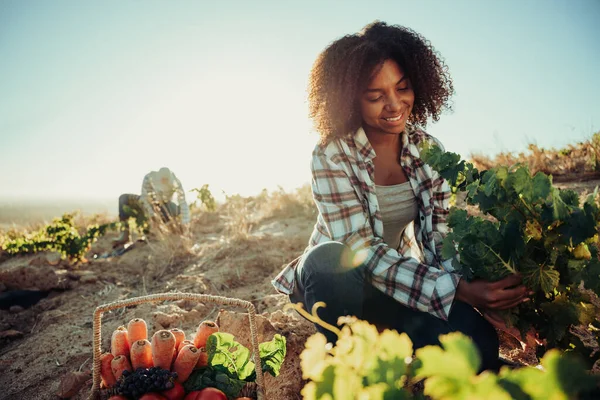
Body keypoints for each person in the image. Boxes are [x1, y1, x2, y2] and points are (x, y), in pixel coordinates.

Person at [272, 21, 529, 372]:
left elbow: (439, 239)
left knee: (478, 344)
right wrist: (457, 291)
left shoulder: (428, 150)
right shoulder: (330, 155)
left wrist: (482, 296)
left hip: (396, 285)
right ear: (349, 99)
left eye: (403, 88)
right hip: (334, 286)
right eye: (375, 96)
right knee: (329, 259)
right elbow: (360, 248)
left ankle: (397, 343)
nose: (394, 105)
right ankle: (348, 367)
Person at [112, 167, 191, 247]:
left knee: (176, 209)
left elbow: (183, 202)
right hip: (145, 204)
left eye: (166, 180)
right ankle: (124, 234)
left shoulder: (175, 182)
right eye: (162, 179)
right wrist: (152, 215)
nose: (164, 181)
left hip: (165, 206)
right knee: (123, 198)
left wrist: (185, 222)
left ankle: (173, 228)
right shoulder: (149, 177)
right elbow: (145, 198)